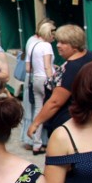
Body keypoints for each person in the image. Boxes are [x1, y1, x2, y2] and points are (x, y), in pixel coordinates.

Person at [27, 25, 92, 142]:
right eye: (58, 41)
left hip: (68, 124)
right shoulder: (91, 56)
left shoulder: (72, 68)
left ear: (74, 45)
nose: (58, 45)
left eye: (63, 42)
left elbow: (55, 102)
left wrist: (36, 123)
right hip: (85, 120)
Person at [20, 18, 54, 147]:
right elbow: (47, 66)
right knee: (51, 109)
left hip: (35, 79)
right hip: (45, 79)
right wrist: (51, 80)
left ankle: (36, 142)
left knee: (38, 111)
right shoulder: (47, 46)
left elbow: (28, 68)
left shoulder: (32, 45)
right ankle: (50, 139)